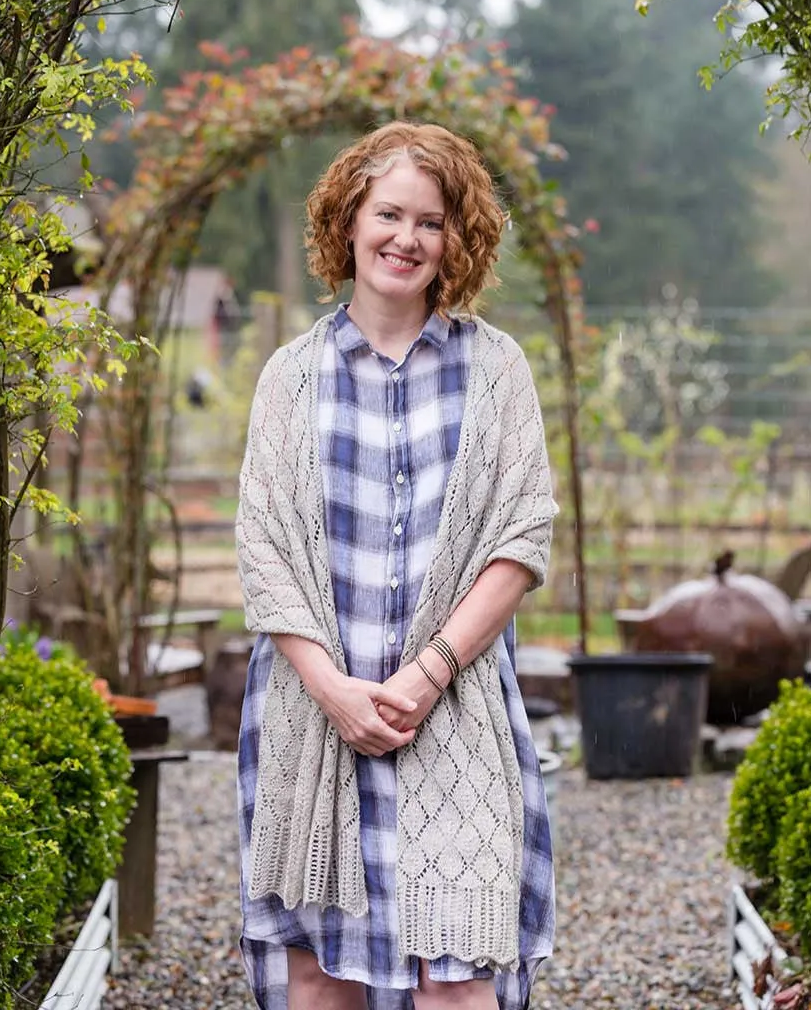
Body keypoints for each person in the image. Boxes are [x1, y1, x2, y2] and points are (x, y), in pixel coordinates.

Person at [235, 121, 558, 1010]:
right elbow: (262, 553)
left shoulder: (497, 370)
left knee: (457, 972)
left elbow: (522, 538)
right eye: (389, 214)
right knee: (321, 967)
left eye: (431, 221)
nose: (406, 239)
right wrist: (334, 689)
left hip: (451, 720)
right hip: (311, 716)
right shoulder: (288, 377)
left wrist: (428, 673)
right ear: (348, 220)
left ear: (458, 239)